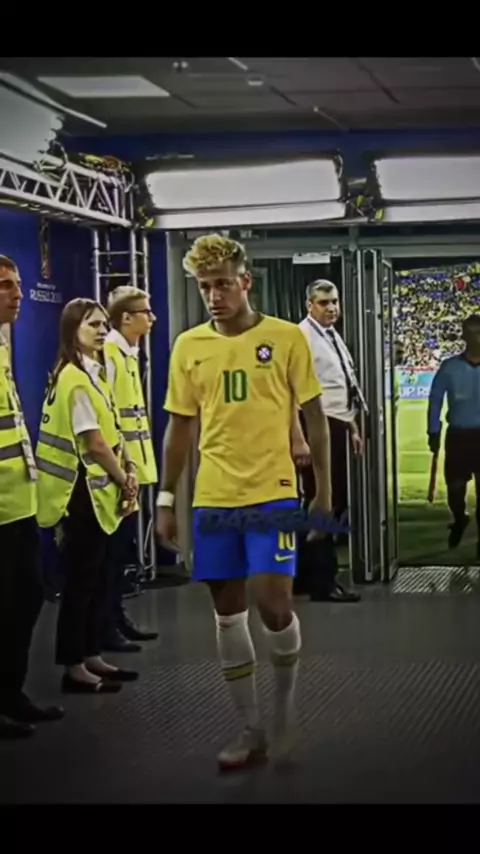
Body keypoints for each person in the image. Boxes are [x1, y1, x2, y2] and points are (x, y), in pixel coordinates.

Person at [156, 235, 331, 771]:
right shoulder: (188, 346)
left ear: (245, 282)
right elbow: (179, 427)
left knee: (274, 602)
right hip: (214, 498)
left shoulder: (285, 338)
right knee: (228, 612)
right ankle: (251, 729)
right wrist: (166, 497)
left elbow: (315, 415)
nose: (214, 296)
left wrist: (323, 489)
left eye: (223, 285)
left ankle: (284, 710)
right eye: (205, 287)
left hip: (273, 493)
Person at [35, 298, 139, 693]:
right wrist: (124, 478)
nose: (101, 331)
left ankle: (91, 653)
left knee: (96, 580)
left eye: (103, 324)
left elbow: (111, 429)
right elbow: (93, 442)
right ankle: (73, 665)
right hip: (82, 495)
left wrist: (127, 466)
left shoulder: (94, 374)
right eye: (92, 324)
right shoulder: (73, 378)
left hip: (100, 491)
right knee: (81, 583)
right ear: (72, 330)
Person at [0, 254, 64, 739]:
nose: (17, 293)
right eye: (5, 285)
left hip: (18, 503)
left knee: (26, 598)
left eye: (18, 284)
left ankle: (10, 693)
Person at [295, 280, 365, 602]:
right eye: (324, 303)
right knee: (324, 500)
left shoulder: (331, 335)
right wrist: (299, 437)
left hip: (336, 422)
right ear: (309, 305)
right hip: (316, 426)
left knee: (328, 499)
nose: (332, 308)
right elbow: (291, 390)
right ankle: (323, 581)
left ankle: (306, 577)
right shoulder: (302, 337)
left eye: (335, 301)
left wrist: (352, 426)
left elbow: (341, 386)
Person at [102, 286, 159, 653]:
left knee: (120, 553)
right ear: (126, 318)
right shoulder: (110, 353)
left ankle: (116, 619)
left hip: (129, 472)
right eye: (145, 312)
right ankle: (106, 625)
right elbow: (107, 416)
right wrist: (122, 470)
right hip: (116, 473)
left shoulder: (127, 354)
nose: (152, 318)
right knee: (111, 555)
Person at [427, 314, 480, 553]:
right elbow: (435, 399)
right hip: (458, 436)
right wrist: (433, 431)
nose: (476, 338)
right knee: (455, 490)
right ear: (464, 336)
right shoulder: (449, 367)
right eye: (472, 333)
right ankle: (460, 518)